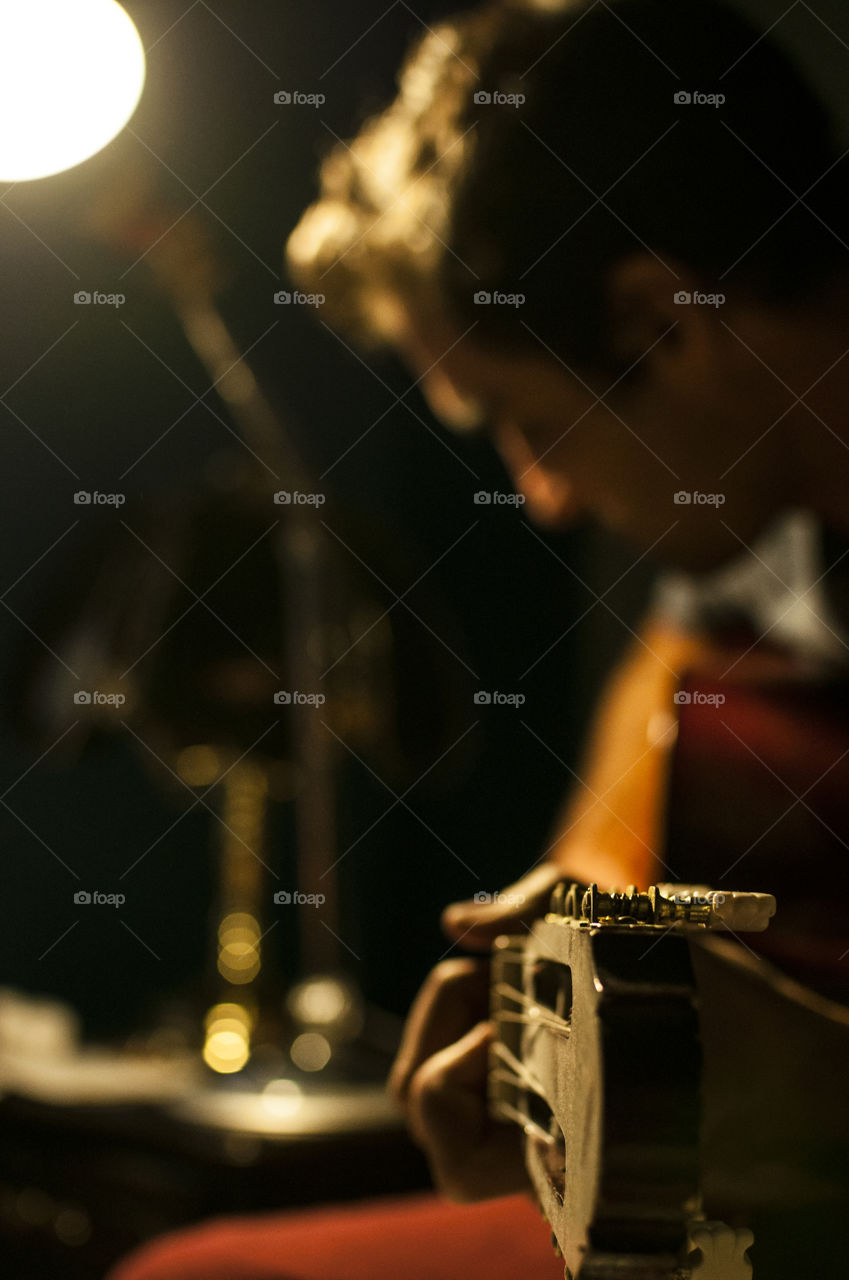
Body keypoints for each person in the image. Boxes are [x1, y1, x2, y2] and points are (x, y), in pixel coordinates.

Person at [110, 0, 849, 1275]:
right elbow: (637, 848)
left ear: (661, 321)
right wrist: (563, 1033)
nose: (544, 492)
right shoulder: (740, 627)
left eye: (523, 419)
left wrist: (820, 1089)